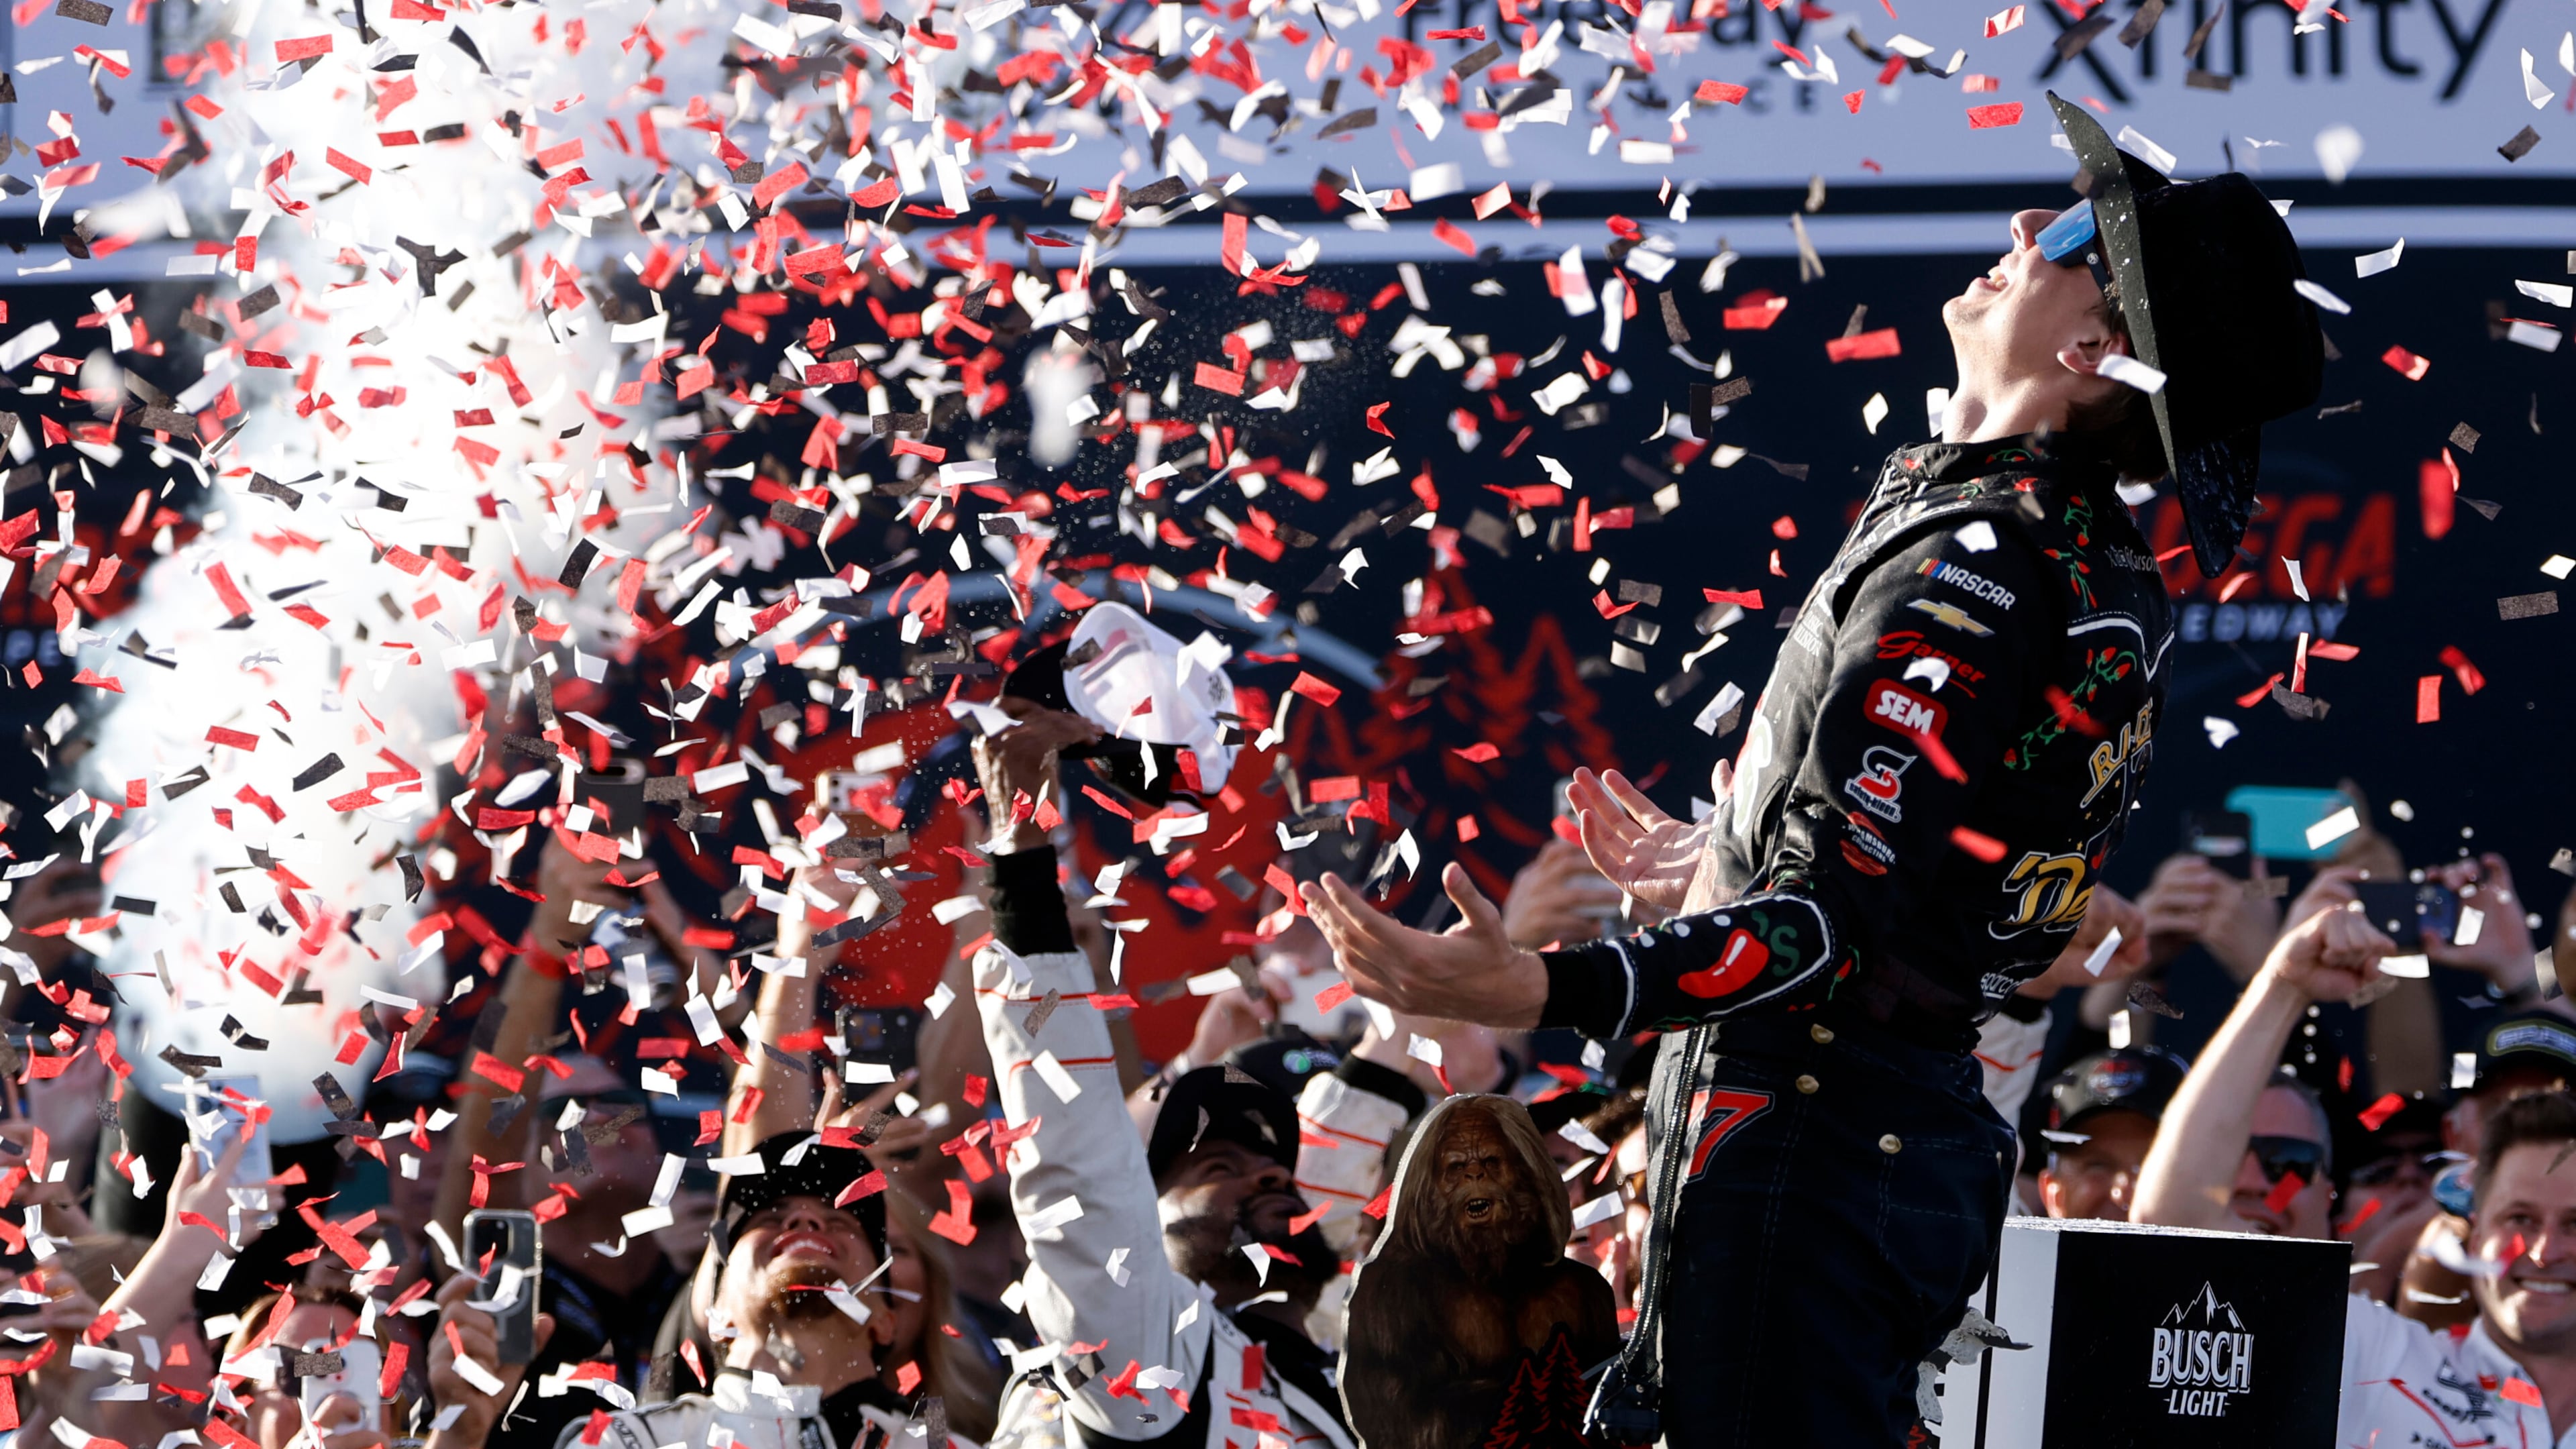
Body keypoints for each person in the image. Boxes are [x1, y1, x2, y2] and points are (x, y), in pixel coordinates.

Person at [1298, 93, 2325, 1444]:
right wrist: (1726, 863)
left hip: (1808, 1159)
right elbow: (1995, 933)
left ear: (2095, 346)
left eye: (2073, 233)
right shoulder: (2063, 553)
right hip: (1857, 1153)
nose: (2023, 224)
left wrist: (1546, 984)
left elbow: (1838, 924)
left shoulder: (1980, 562)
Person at [964, 699, 1422, 1449]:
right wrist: (1020, 866)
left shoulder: (1346, 1384)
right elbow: (1083, 1175)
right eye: (1215, 1164)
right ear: (1143, 1224)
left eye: (1277, 1169)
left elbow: (1328, 1183)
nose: (1272, 1178)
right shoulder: (1148, 1366)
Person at [2128, 904, 2576, 1442]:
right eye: (2520, 1218)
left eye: (2575, 1224)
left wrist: (2531, 977)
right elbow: (2176, 1224)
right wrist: (2282, 987)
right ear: (2475, 1228)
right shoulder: (2378, 1359)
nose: (2544, 1250)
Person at [2033, 1046, 2187, 1222]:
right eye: (2098, 1166)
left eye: (2152, 1168)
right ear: (2053, 1194)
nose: (2122, 1194)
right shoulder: (2008, 1248)